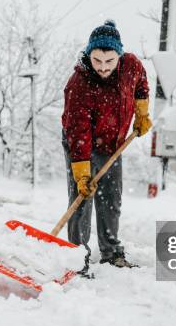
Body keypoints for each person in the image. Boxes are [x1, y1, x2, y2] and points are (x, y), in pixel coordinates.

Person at [61, 20, 152, 268]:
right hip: (82, 144)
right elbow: (77, 130)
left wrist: (142, 113)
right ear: (88, 55)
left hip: (113, 143)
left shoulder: (131, 66)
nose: (103, 68)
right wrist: (82, 173)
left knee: (111, 197)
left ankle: (111, 252)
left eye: (109, 61)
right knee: (83, 198)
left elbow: (141, 85)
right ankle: (77, 256)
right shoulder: (79, 85)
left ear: (119, 56)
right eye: (97, 61)